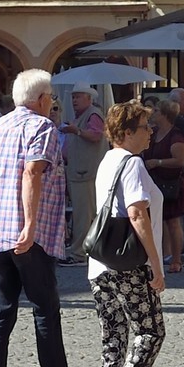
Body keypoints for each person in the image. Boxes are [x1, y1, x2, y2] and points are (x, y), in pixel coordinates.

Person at [0, 68, 96, 367]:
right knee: (45, 308)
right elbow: (32, 172)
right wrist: (31, 224)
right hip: (24, 233)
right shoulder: (41, 127)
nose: (52, 102)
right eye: (50, 96)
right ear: (40, 99)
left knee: (1, 310)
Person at [89, 100, 167, 367]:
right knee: (151, 331)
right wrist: (156, 263)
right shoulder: (132, 163)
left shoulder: (107, 160)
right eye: (145, 127)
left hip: (99, 264)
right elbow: (137, 215)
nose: (151, 132)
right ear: (126, 133)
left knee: (115, 334)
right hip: (129, 263)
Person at [60, 89, 107, 263]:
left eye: (78, 96)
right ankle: (84, 250)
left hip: (85, 172)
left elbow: (96, 135)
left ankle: (79, 253)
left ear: (89, 98)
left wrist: (76, 131)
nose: (74, 100)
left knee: (82, 215)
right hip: (78, 171)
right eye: (73, 96)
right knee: (84, 214)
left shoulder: (93, 114)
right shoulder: (82, 115)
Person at [147, 97, 184, 274]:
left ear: (165, 115)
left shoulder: (175, 136)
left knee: (173, 223)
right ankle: (157, 257)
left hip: (172, 184)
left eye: (157, 111)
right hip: (155, 182)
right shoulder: (154, 132)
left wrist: (158, 162)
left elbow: (180, 160)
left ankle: (176, 259)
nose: (154, 113)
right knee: (155, 222)